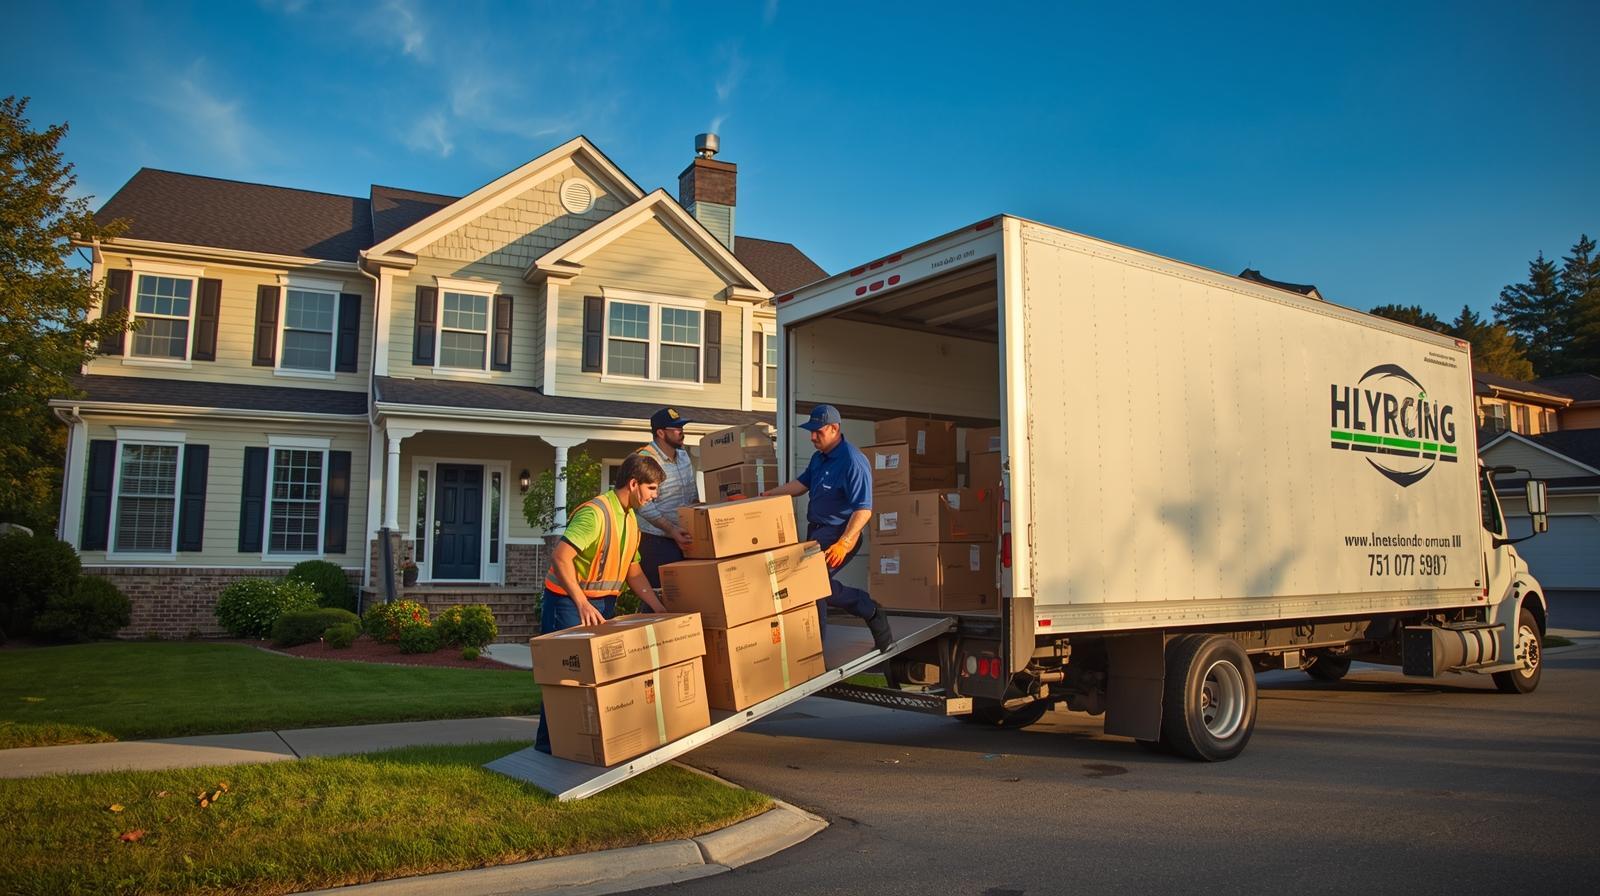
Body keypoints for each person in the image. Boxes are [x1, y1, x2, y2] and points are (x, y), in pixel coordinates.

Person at [534, 453, 670, 754]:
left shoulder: (631, 520)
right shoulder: (596, 514)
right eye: (651, 489)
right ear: (634, 484)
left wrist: (660, 609)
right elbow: (560, 557)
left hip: (602, 605)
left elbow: (632, 571)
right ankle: (549, 747)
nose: (654, 497)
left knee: (594, 678)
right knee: (566, 679)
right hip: (568, 604)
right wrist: (581, 602)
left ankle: (581, 743)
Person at [763, 404, 894, 652]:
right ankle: (866, 609)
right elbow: (800, 485)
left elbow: (863, 510)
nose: (812, 437)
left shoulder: (853, 461)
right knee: (814, 585)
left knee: (814, 585)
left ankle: (819, 646)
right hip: (817, 534)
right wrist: (766, 495)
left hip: (840, 535)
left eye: (817, 431)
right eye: (810, 431)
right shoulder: (818, 458)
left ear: (834, 428)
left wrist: (844, 543)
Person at [633, 407, 698, 589]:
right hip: (656, 541)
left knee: (684, 594)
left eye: (682, 428)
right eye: (676, 429)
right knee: (661, 595)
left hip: (684, 537)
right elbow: (643, 506)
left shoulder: (684, 456)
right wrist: (671, 530)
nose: (681, 433)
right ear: (661, 433)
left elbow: (692, 492)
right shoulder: (645, 459)